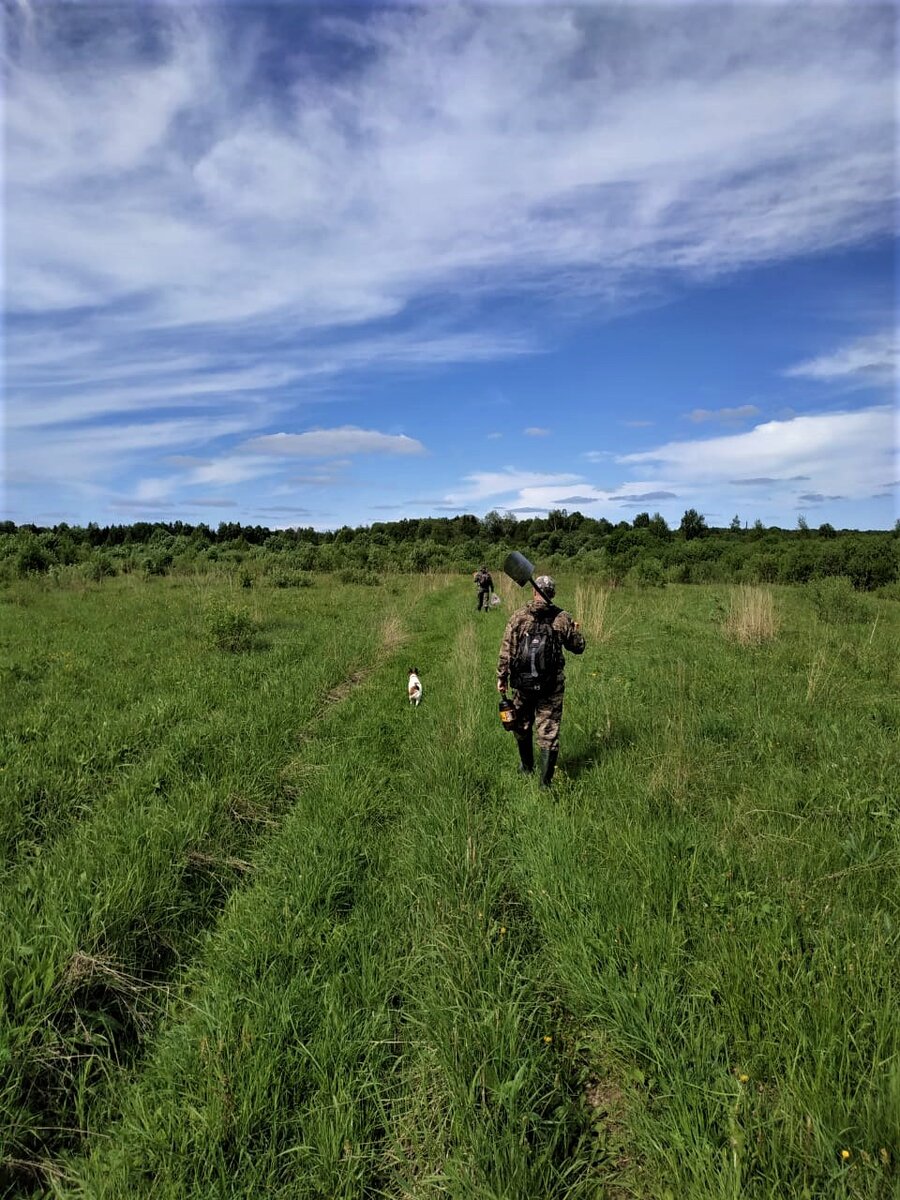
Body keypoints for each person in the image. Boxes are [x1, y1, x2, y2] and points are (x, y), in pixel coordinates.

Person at [496, 575, 585, 787]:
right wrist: (575, 630)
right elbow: (579, 647)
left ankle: (526, 767)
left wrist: (502, 677)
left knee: (521, 725)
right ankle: (545, 784)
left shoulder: (518, 617)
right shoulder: (562, 618)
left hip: (523, 686)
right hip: (551, 687)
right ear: (552, 594)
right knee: (548, 732)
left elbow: (506, 651)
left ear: (534, 592)